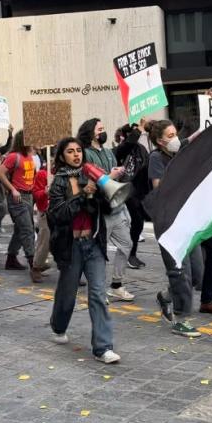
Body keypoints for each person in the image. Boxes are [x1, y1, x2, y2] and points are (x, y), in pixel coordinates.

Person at [47, 137, 120, 364]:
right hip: (71, 247)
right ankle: (58, 326)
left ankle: (103, 347)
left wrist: (103, 187)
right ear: (62, 156)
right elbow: (57, 214)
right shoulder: (58, 183)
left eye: (79, 150)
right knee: (67, 294)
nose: (76, 155)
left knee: (98, 294)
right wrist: (82, 194)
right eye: (70, 151)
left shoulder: (92, 175)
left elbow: (107, 208)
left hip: (94, 244)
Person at [148, 120, 202, 338]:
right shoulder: (156, 158)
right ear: (161, 141)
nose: (175, 138)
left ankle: (166, 295)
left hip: (188, 220)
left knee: (197, 274)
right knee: (181, 274)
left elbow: (199, 134)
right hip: (169, 223)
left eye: (175, 134)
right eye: (170, 136)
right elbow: (158, 188)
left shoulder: (181, 150)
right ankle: (182, 319)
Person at [78, 118, 135, 302]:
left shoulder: (109, 152)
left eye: (103, 128)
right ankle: (98, 290)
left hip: (116, 207)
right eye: (99, 129)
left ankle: (116, 285)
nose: (103, 131)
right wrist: (111, 175)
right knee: (99, 252)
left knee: (127, 244)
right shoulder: (85, 154)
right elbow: (92, 180)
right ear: (90, 132)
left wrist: (118, 172)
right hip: (100, 211)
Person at [0, 130, 37, 275]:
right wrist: (13, 189)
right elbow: (0, 173)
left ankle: (11, 259)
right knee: (27, 229)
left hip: (28, 196)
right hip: (17, 198)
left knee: (21, 229)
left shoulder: (29, 157)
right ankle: (34, 263)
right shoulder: (14, 156)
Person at [114, 124, 149, 269]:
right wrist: (138, 127)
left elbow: (146, 166)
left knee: (138, 224)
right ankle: (128, 254)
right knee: (133, 222)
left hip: (140, 191)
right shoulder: (121, 150)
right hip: (126, 192)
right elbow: (127, 146)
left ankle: (132, 254)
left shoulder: (141, 149)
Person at [31, 152, 52, 277]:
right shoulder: (42, 174)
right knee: (45, 240)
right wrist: (45, 192)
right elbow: (36, 194)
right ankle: (36, 266)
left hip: (61, 212)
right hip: (46, 211)